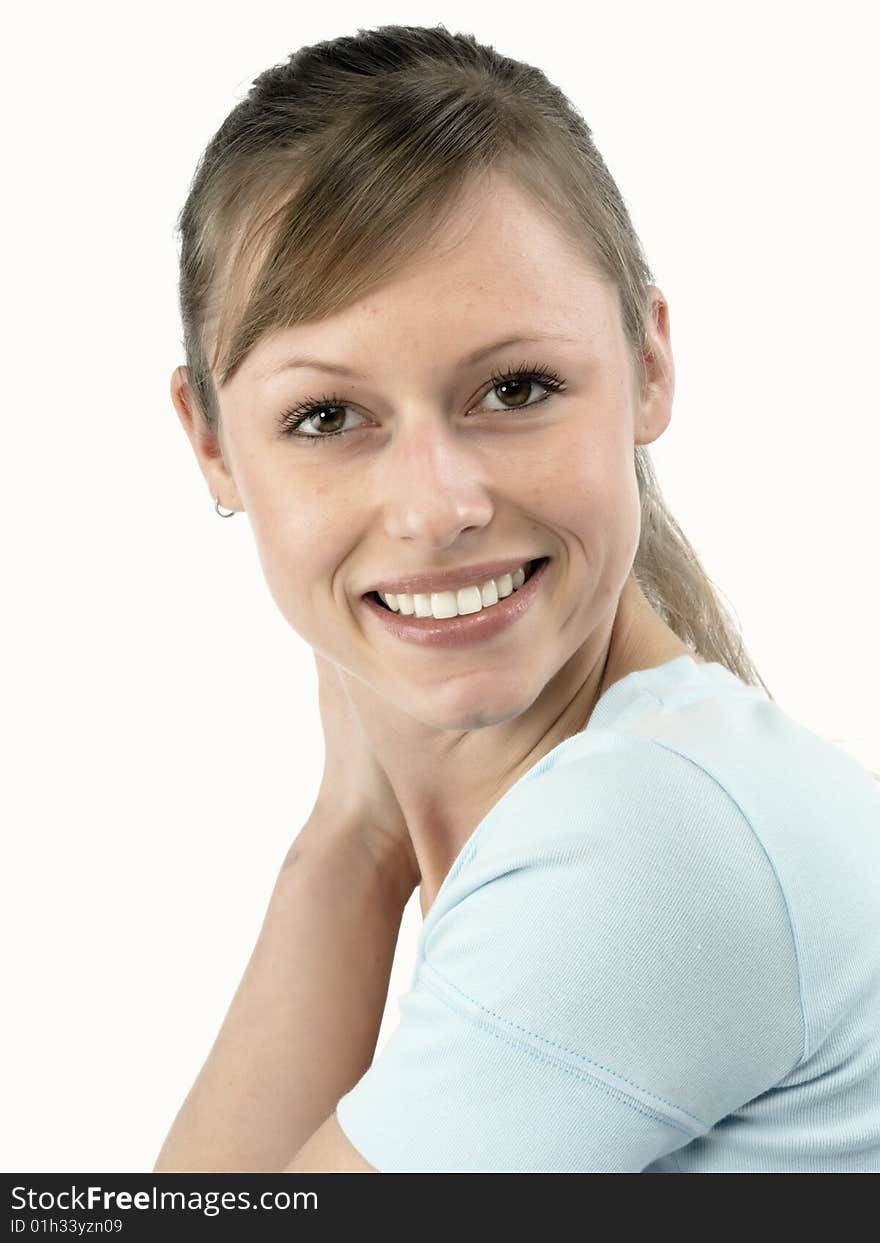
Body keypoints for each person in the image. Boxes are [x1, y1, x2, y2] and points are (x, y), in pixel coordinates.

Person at [155, 24, 880, 1173]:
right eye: (328, 417)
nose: (436, 505)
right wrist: (361, 822)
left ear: (648, 362)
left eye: (515, 387)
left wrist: (359, 827)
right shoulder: (657, 777)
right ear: (211, 444)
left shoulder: (650, 842)